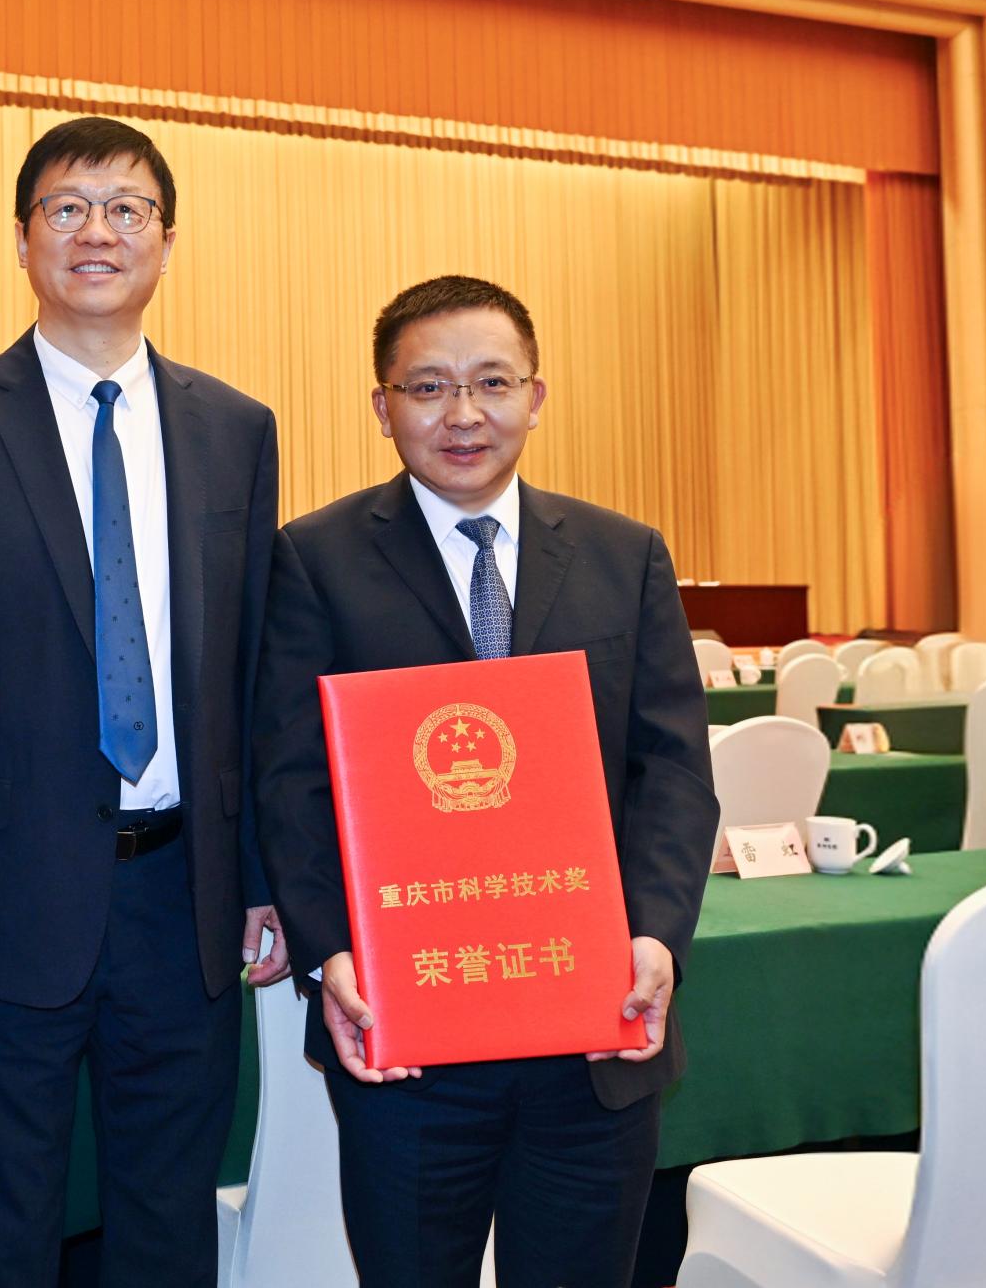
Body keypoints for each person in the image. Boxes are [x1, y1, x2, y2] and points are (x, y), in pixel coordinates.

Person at [0, 116, 287, 1287]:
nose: (97, 231)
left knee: (168, 1223)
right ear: (22, 240)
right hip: (3, 899)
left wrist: (260, 874)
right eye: (66, 207)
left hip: (184, 894)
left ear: (167, 240)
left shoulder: (235, 429)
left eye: (127, 209)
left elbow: (253, 668)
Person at [252, 274, 719, 1288]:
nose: (462, 413)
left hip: (595, 1036)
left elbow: (674, 769)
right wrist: (329, 950)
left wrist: (654, 935)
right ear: (383, 408)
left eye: (492, 382)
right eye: (428, 387)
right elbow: (290, 781)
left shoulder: (624, 554)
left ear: (536, 397)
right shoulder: (316, 559)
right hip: (411, 1037)